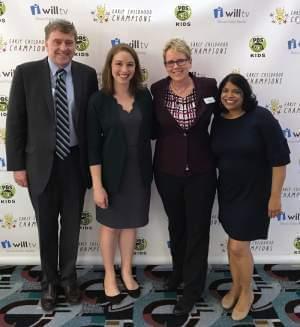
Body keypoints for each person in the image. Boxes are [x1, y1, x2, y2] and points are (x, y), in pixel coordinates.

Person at [5, 19, 98, 311]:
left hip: (74, 162)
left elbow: (90, 124)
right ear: (45, 42)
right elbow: (16, 122)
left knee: (71, 226)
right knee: (46, 226)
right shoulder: (26, 73)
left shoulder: (87, 74)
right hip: (39, 166)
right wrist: (18, 166)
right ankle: (49, 280)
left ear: (75, 44)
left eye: (69, 42)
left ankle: (68, 278)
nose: (63, 47)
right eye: (57, 41)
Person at [211, 73, 290, 321]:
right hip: (228, 191)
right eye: (225, 90)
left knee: (238, 246)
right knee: (234, 246)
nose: (229, 95)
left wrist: (275, 196)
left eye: (236, 91)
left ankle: (247, 293)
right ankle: (236, 286)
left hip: (255, 193)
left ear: (245, 94)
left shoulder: (261, 117)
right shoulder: (220, 119)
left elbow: (280, 160)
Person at [150, 38, 217, 315]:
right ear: (165, 65)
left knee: (198, 230)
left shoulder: (209, 86)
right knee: (177, 226)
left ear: (190, 61)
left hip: (202, 171)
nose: (175, 65)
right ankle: (178, 272)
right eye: (170, 62)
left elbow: (228, 115)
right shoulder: (156, 90)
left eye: (180, 60)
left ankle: (192, 288)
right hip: (168, 171)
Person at [87, 44, 153, 304]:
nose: (124, 70)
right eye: (119, 64)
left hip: (140, 172)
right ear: (110, 67)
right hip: (111, 175)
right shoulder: (98, 100)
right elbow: (92, 146)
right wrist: (97, 184)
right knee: (110, 226)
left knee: (130, 224)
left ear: (136, 68)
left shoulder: (145, 96)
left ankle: (126, 271)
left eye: (130, 64)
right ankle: (109, 276)